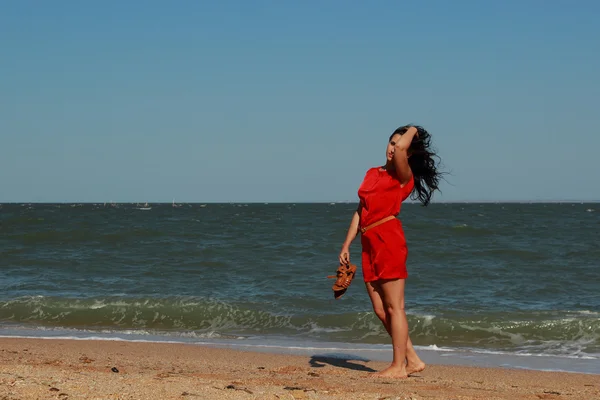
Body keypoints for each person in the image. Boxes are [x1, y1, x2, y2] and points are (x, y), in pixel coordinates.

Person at [338, 125, 442, 378]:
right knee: (380, 309)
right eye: (390, 142)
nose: (393, 148)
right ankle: (413, 360)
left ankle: (398, 367)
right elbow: (360, 209)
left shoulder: (403, 176)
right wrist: (346, 244)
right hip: (368, 241)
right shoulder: (372, 173)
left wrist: (413, 129)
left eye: (398, 145)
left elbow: (404, 149)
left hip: (388, 239)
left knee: (395, 307)